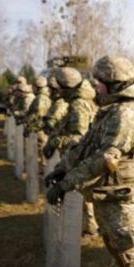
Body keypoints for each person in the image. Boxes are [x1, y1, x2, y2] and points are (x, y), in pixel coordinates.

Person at [46, 56, 134, 267]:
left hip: (121, 193)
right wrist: (61, 169)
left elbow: (105, 158)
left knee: (129, 251)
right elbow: (87, 145)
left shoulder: (127, 113)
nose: (94, 85)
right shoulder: (112, 109)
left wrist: (67, 184)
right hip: (108, 192)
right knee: (114, 244)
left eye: (100, 81)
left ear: (114, 84)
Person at [46, 66, 99, 237]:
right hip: (78, 156)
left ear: (66, 87)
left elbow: (79, 139)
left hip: (79, 158)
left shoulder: (79, 105)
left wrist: (56, 141)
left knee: (81, 191)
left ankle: (90, 226)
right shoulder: (79, 101)